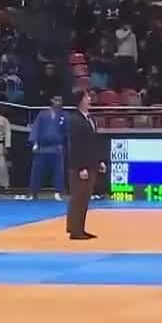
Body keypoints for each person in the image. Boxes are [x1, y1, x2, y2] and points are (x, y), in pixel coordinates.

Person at [66, 90, 105, 239]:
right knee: (78, 198)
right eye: (87, 97)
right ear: (80, 100)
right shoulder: (75, 120)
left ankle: (79, 228)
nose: (89, 99)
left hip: (91, 164)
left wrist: (99, 160)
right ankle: (75, 230)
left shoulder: (90, 118)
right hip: (80, 166)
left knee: (84, 199)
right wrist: (80, 167)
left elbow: (92, 143)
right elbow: (76, 145)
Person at [28, 95, 67, 200]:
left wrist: (64, 145)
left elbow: (67, 132)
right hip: (42, 147)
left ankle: (58, 192)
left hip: (56, 148)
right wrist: (35, 143)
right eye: (56, 100)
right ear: (51, 100)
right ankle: (33, 192)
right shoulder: (42, 114)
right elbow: (36, 128)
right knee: (37, 170)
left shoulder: (64, 115)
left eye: (60, 101)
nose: (58, 102)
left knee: (59, 171)